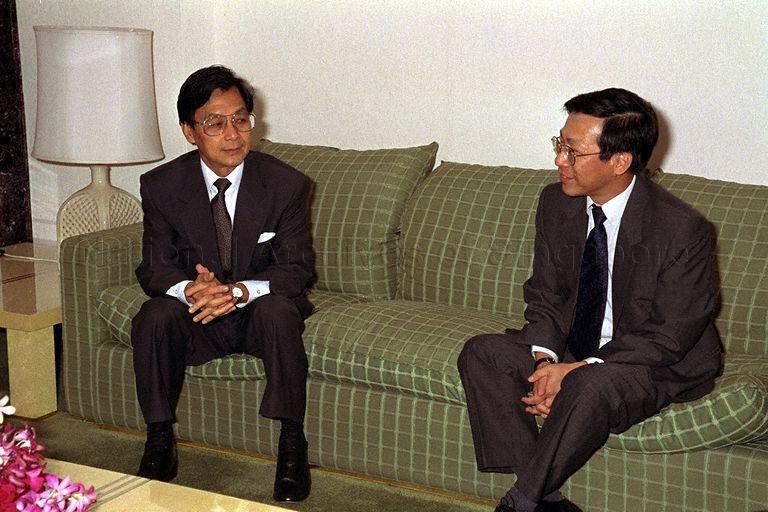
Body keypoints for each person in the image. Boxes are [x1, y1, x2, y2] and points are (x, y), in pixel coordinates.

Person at [457, 88, 722, 512]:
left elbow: (670, 334)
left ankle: (521, 502)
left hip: (651, 362)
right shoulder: (555, 203)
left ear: (620, 161)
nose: (560, 160)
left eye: (573, 151)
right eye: (559, 144)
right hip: (574, 347)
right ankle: (549, 498)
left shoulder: (680, 229)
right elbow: (544, 294)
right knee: (484, 353)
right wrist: (546, 363)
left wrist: (576, 369)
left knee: (588, 383)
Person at [131, 65, 315, 502]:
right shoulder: (161, 186)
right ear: (189, 131)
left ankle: (292, 444)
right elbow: (155, 266)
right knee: (154, 314)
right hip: (198, 316)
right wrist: (191, 290)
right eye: (215, 123)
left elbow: (296, 268)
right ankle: (159, 437)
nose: (232, 134)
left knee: (279, 310)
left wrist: (236, 292)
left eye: (240, 119)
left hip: (257, 315)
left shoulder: (285, 185)